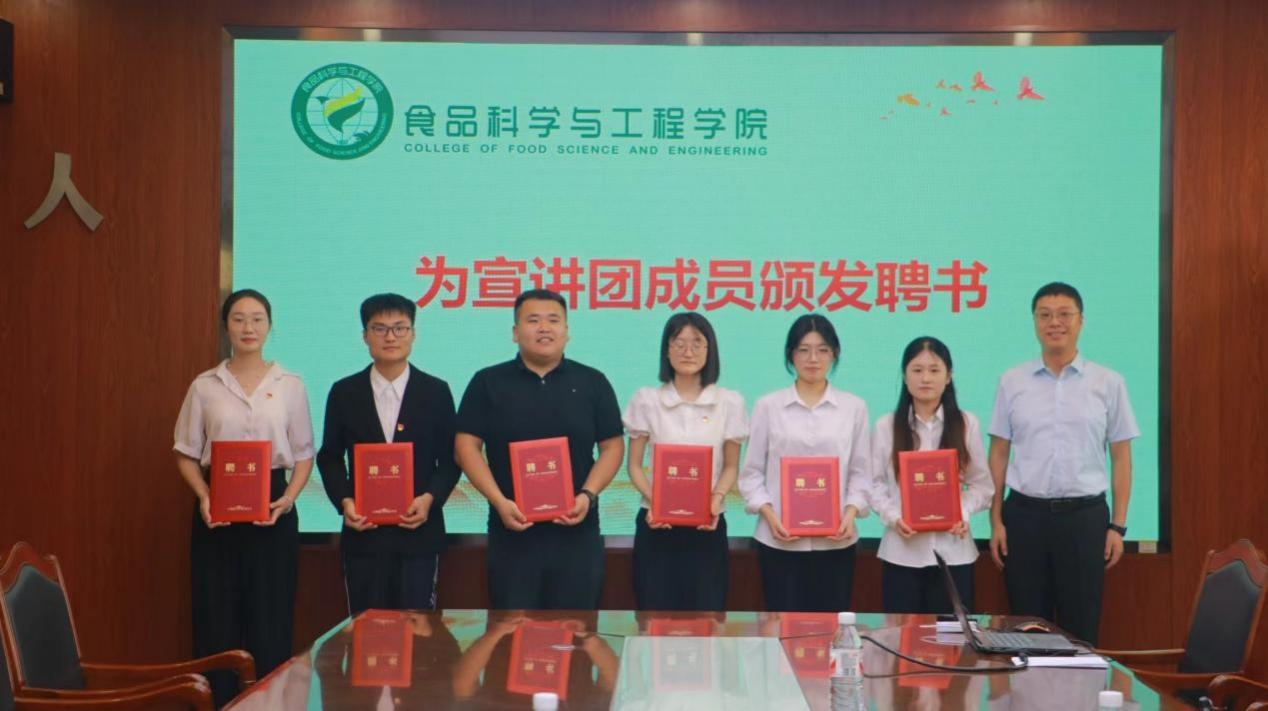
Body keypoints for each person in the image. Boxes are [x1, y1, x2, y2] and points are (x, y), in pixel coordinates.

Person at [173, 289, 314, 706]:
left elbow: (303, 454)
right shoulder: (204, 386)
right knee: (215, 620)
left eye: (257, 319)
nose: (248, 327)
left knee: (271, 619)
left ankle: (269, 705)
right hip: (217, 511)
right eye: (238, 319)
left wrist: (289, 498)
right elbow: (185, 453)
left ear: (270, 326)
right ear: (226, 327)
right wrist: (204, 495)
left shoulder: (290, 385)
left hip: (273, 510)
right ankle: (217, 704)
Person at [988, 282, 1139, 645]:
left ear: (1080, 321)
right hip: (1024, 518)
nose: (1054, 322)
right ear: (1035, 322)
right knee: (1025, 629)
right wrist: (995, 521)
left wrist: (1117, 526)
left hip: (1084, 520)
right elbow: (999, 454)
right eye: (1045, 315)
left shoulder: (1108, 382)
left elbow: (1121, 456)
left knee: (1081, 628)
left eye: (1064, 314)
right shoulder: (1012, 381)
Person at [454, 289, 624, 609]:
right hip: (512, 530)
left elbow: (613, 446)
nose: (544, 328)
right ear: (515, 332)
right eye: (533, 320)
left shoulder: (593, 381)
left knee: (577, 628)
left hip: (577, 532)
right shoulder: (487, 382)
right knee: (512, 629)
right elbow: (466, 446)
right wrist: (499, 501)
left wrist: (587, 495)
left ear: (567, 331)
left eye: (553, 320)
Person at [317, 293, 461, 616]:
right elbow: (329, 458)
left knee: (418, 630)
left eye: (400, 328)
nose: (390, 337)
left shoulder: (436, 391)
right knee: (367, 629)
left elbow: (451, 460)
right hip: (364, 536)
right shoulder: (344, 392)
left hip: (419, 535)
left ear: (413, 334)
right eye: (380, 328)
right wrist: (346, 502)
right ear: (365, 336)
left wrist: (430, 499)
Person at [738, 314, 870, 612]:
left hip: (836, 542)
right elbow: (751, 474)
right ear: (790, 355)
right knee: (783, 629)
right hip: (779, 541)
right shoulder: (768, 406)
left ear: (834, 354)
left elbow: (861, 473)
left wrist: (850, 513)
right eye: (804, 350)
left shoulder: (854, 407)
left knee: (830, 628)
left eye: (823, 350)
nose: (813, 358)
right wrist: (770, 515)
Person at [623, 312, 748, 611]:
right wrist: (656, 501)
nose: (688, 352)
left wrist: (716, 499)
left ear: (709, 349)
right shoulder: (647, 400)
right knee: (653, 616)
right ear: (666, 350)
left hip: (708, 524)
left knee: (706, 615)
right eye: (679, 343)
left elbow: (731, 466)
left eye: (697, 343)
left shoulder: (729, 402)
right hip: (656, 524)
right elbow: (634, 465)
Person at [868, 336, 993, 614]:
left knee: (951, 637)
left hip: (954, 553)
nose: (925, 378)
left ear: (948, 377)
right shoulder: (886, 426)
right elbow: (874, 485)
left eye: (934, 370)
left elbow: (982, 486)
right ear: (905, 376)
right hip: (902, 553)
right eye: (917, 370)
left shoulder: (966, 424)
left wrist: (961, 512)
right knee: (903, 635)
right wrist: (894, 517)